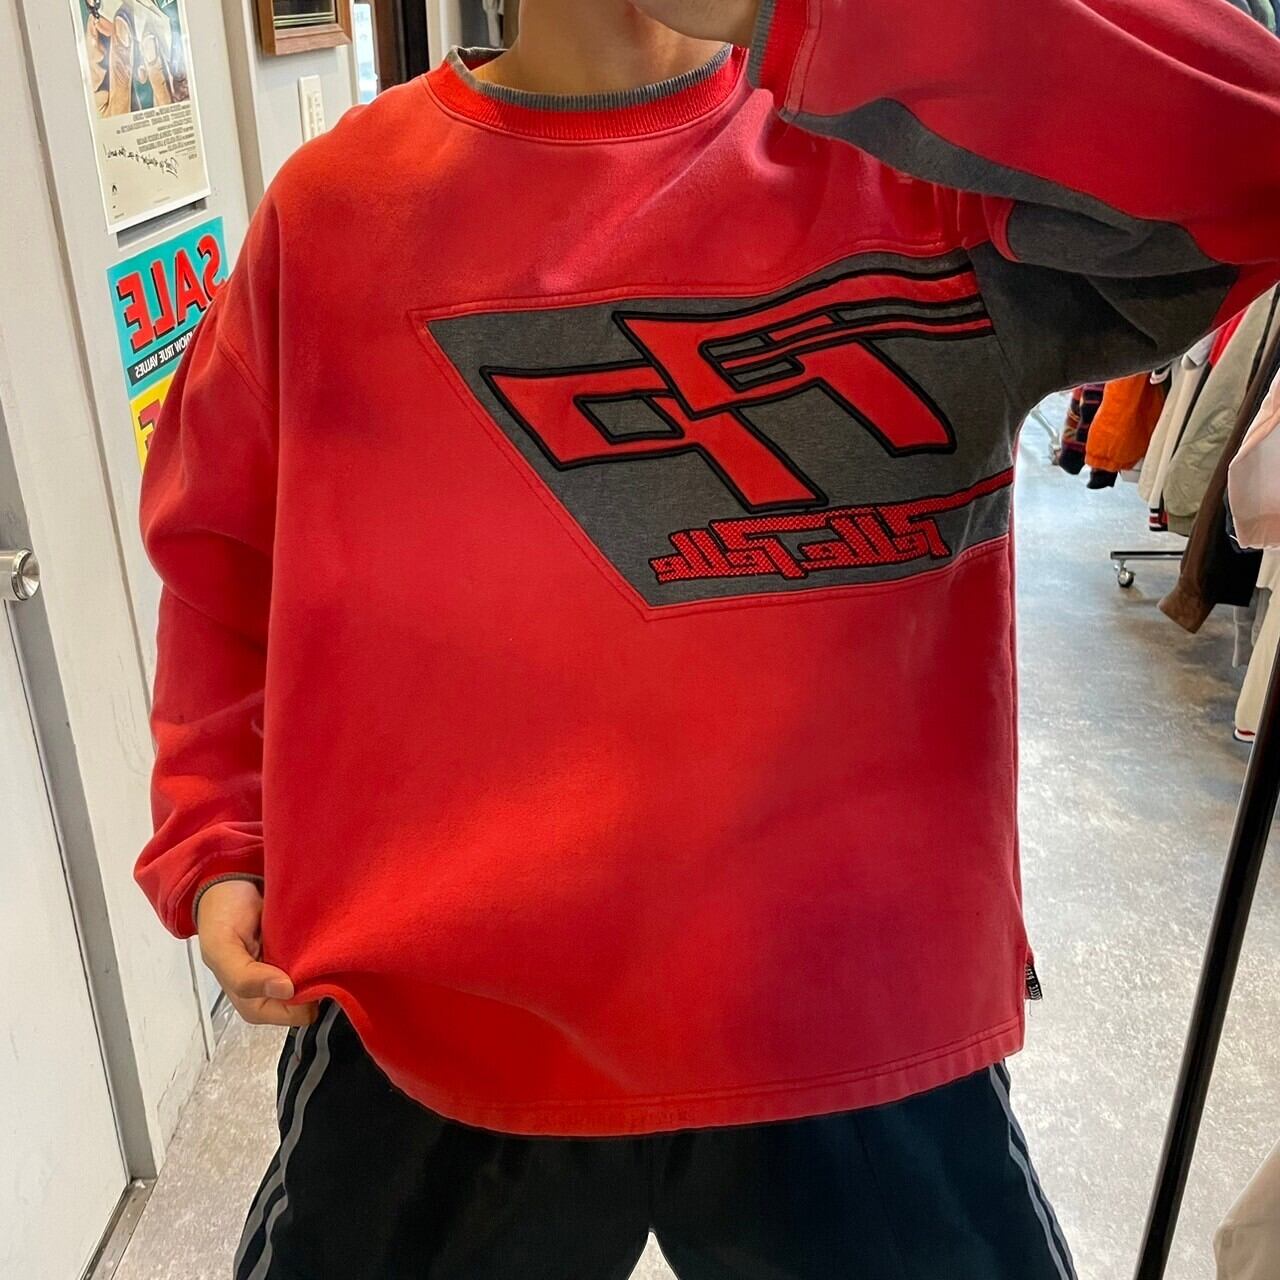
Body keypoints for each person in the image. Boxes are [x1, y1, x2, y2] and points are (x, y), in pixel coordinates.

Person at [134, 0, 1280, 1275]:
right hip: (444, 1012)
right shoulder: (337, 212)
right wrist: (221, 828)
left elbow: (1257, 146)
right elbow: (226, 553)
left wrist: (811, 13)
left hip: (850, 1010)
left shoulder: (917, 170)